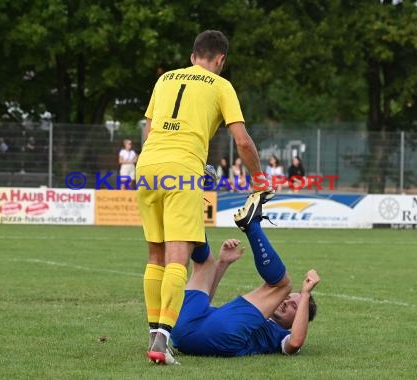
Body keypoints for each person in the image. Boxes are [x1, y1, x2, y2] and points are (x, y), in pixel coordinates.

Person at [137, 30, 269, 365]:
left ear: (194, 53)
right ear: (221, 59)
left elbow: (149, 129)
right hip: (182, 170)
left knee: (155, 256)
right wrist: (259, 179)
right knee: (178, 258)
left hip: (148, 165)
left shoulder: (165, 79)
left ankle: (155, 333)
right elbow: (241, 141)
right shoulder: (221, 85)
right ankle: (161, 342)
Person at [171, 192, 320, 357]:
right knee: (205, 264)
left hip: (215, 336)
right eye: (288, 299)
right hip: (183, 328)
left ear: (299, 318)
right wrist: (222, 263)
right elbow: (205, 301)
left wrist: (305, 294)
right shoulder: (242, 317)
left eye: (294, 306)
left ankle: (252, 225)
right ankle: (188, 209)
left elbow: (295, 342)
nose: (285, 302)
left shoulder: (280, 336)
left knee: (283, 285)